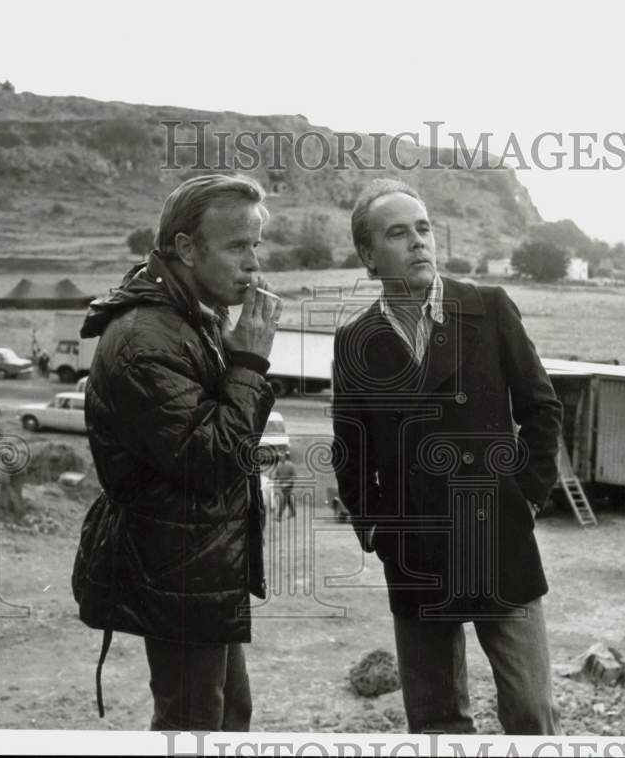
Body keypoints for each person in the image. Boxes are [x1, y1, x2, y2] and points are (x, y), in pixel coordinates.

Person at [331, 178, 564, 735]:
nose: (418, 242)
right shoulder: (355, 341)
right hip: (417, 553)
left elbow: (542, 409)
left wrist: (525, 497)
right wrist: (377, 531)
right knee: (436, 722)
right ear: (368, 255)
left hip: (498, 538)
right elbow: (352, 451)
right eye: (397, 233)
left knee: (532, 712)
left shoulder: (488, 308)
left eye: (423, 228)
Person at [71, 173, 282, 732]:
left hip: (197, 558)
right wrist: (250, 365)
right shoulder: (146, 337)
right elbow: (207, 460)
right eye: (238, 246)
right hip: (177, 563)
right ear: (186, 248)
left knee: (227, 712)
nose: (254, 265)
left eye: (255, 246)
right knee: (192, 721)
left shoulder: (188, 316)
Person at [273, 449, 297, 520]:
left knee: (284, 499)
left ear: (285, 457)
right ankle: (293, 513)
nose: (281, 458)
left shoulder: (290, 465)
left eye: (282, 456)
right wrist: (273, 478)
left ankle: (279, 515)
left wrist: (287, 483)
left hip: (289, 485)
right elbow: (276, 475)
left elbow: (294, 476)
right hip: (282, 486)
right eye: (280, 457)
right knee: (288, 499)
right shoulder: (279, 466)